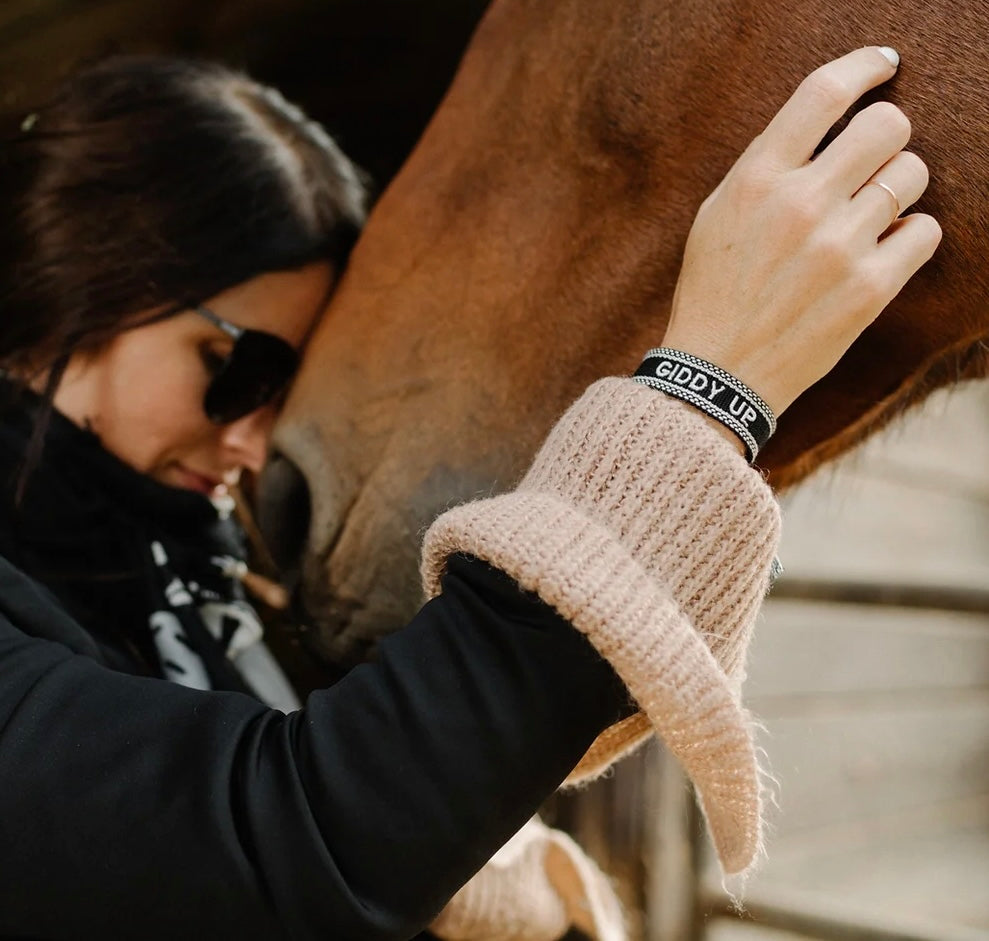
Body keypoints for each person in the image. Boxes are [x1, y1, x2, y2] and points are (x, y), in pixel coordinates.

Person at [0, 45, 937, 941]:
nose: (251, 441)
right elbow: (282, 845)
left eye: (280, 395)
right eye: (234, 365)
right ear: (79, 279)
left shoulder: (199, 578)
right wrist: (707, 388)